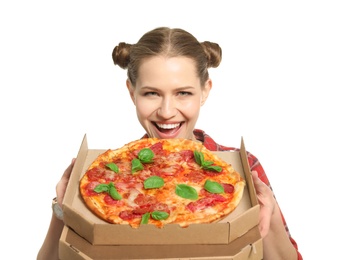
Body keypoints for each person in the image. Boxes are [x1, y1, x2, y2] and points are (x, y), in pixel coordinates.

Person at [37, 27, 303, 260]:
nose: (166, 111)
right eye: (152, 93)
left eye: (183, 93)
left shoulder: (243, 167)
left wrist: (271, 211)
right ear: (132, 93)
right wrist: (62, 211)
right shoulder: (108, 175)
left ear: (205, 91)